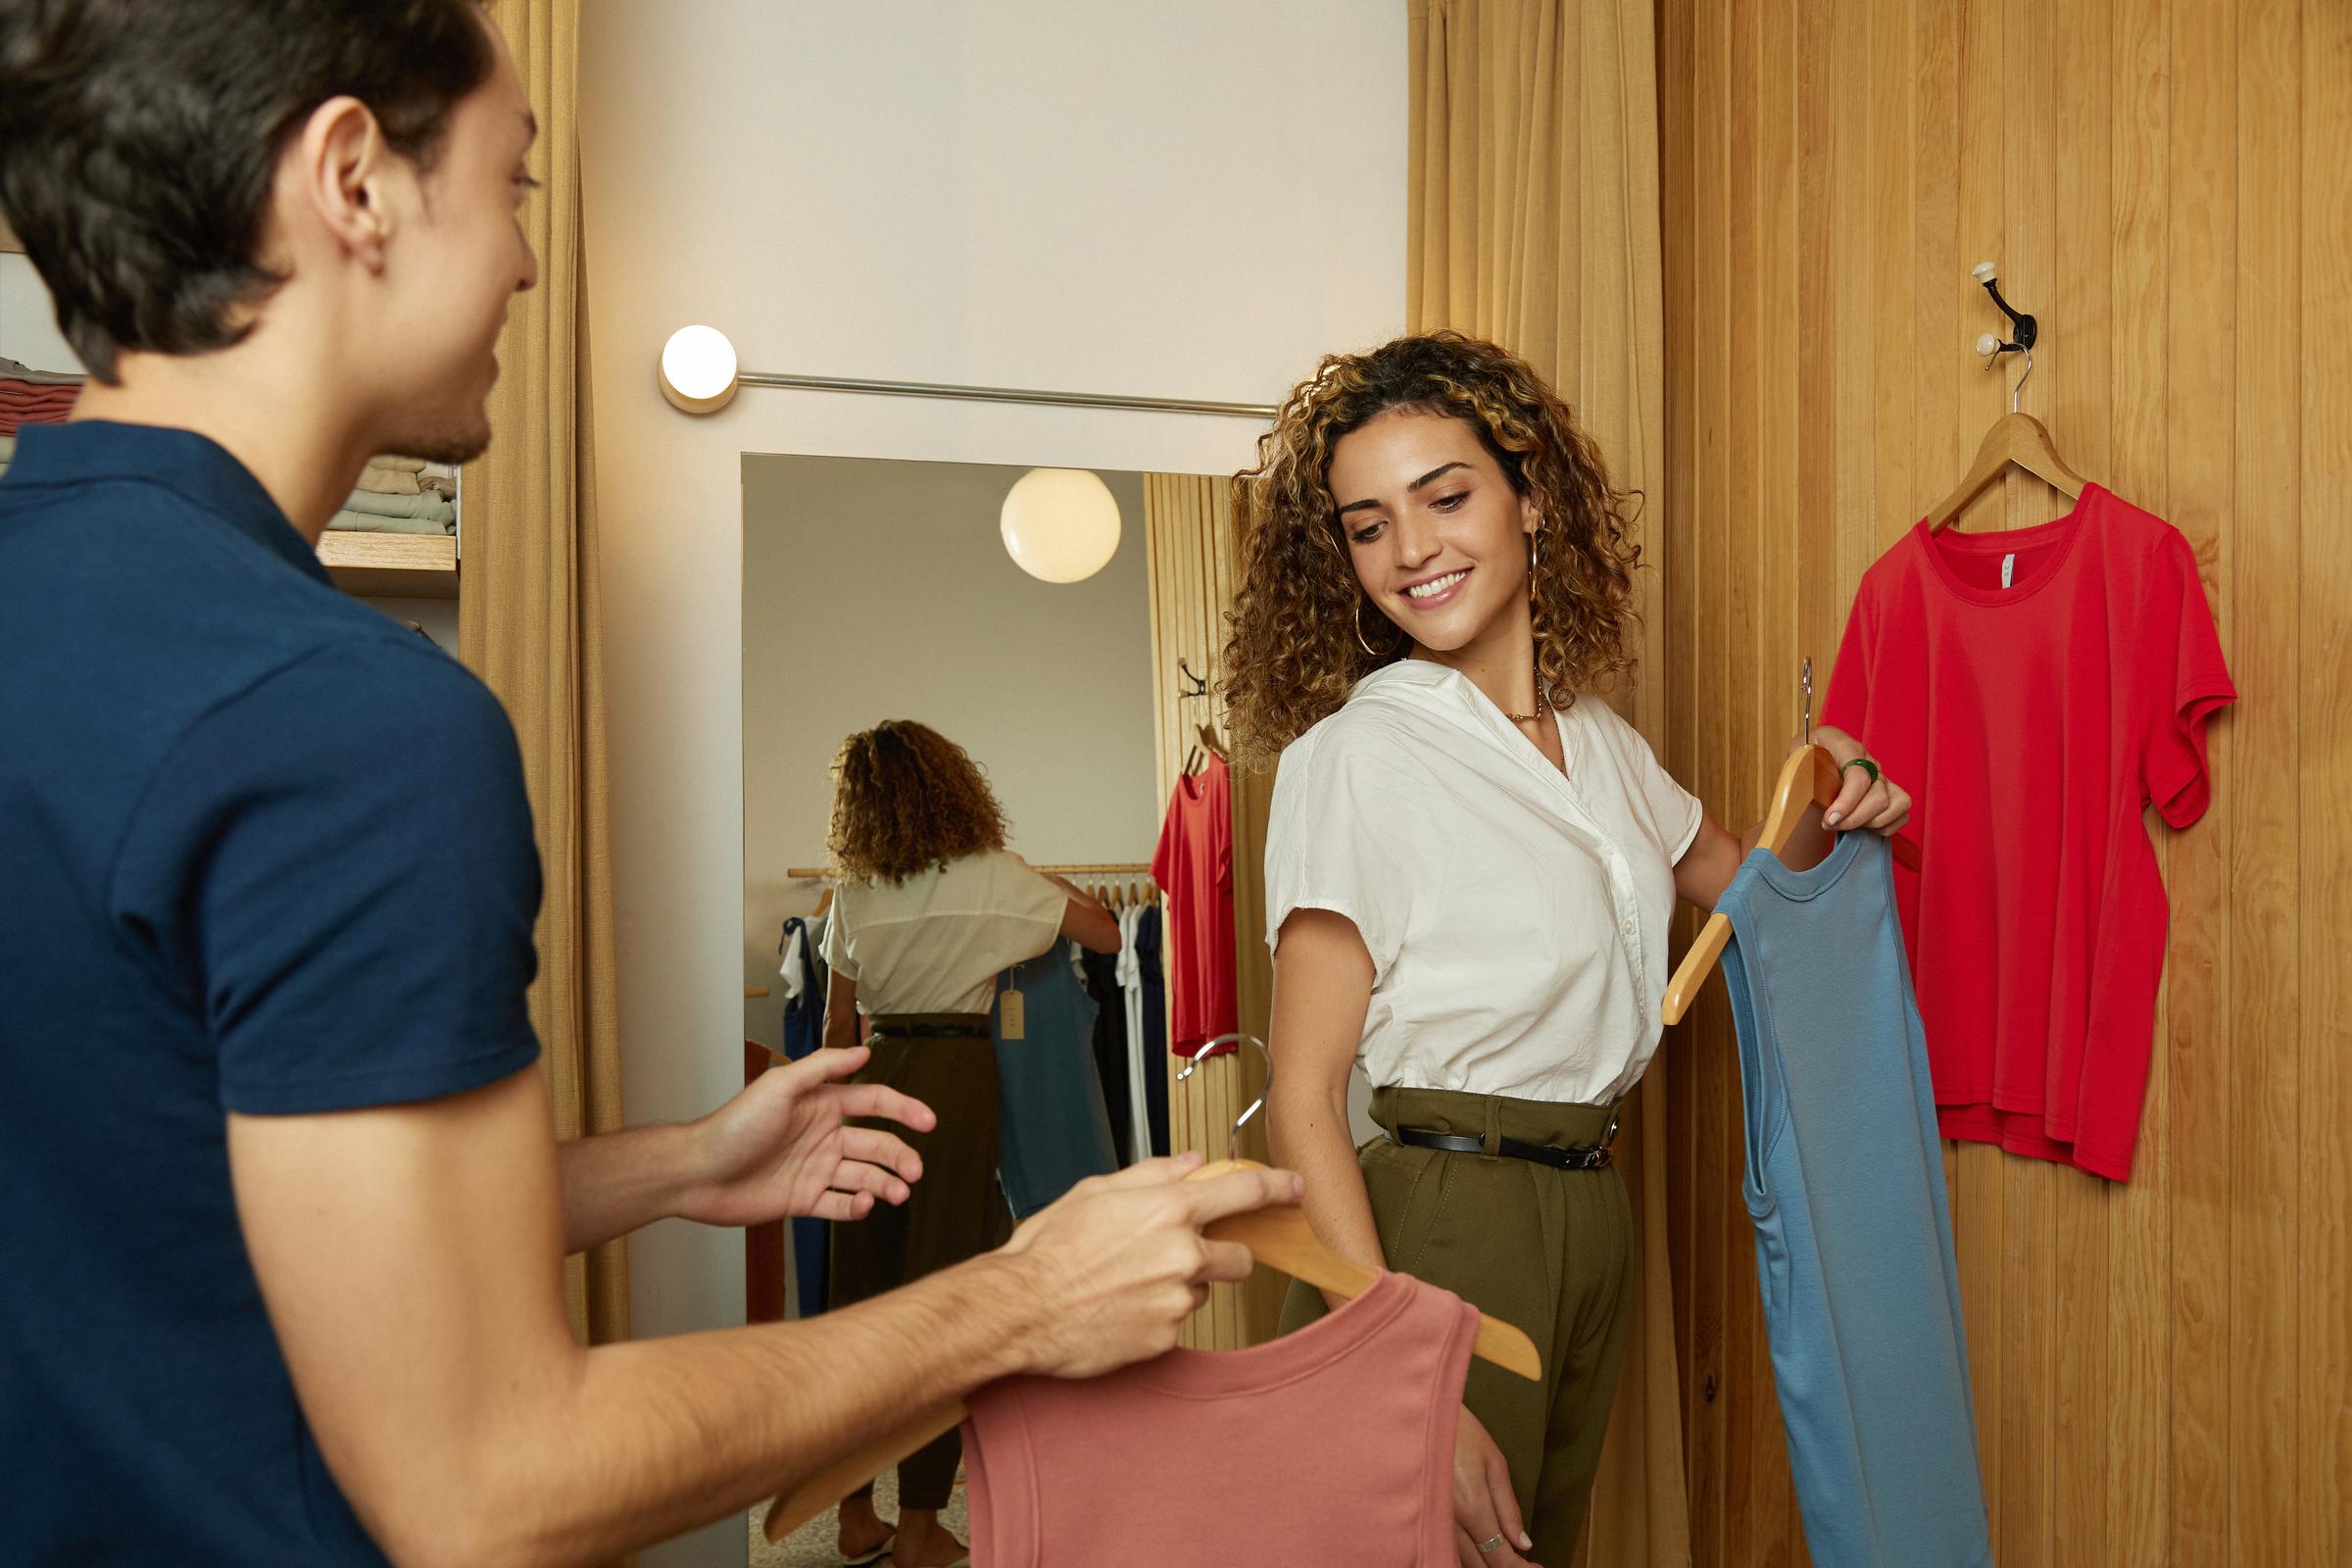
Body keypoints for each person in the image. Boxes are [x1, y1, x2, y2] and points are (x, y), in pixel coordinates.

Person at [0, 5, 1299, 1565]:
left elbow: (171, 1191)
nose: (527, 265)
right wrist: (1023, 1297)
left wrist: (675, 1164)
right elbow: (490, 1486)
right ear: (354, 180)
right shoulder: (341, 722)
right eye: (514, 187)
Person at [1222, 331, 1912, 1568]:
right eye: (1368, 524)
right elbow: (1305, 1099)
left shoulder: (1604, 748)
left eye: (1446, 496)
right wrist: (1395, 1363)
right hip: (1439, 1218)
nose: (1413, 549)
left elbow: (1769, 886)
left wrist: (1841, 773)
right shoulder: (1357, 757)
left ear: (1531, 497)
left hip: (1590, 1211)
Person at [816, 718, 1121, 1567]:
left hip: (872, 1077)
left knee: (863, 1298)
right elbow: (1106, 935)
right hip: (955, 1076)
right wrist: (1052, 887)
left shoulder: (855, 891)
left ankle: (849, 1509)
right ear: (953, 786)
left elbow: (839, 1026)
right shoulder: (994, 879)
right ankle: (919, 1522)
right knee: (945, 1293)